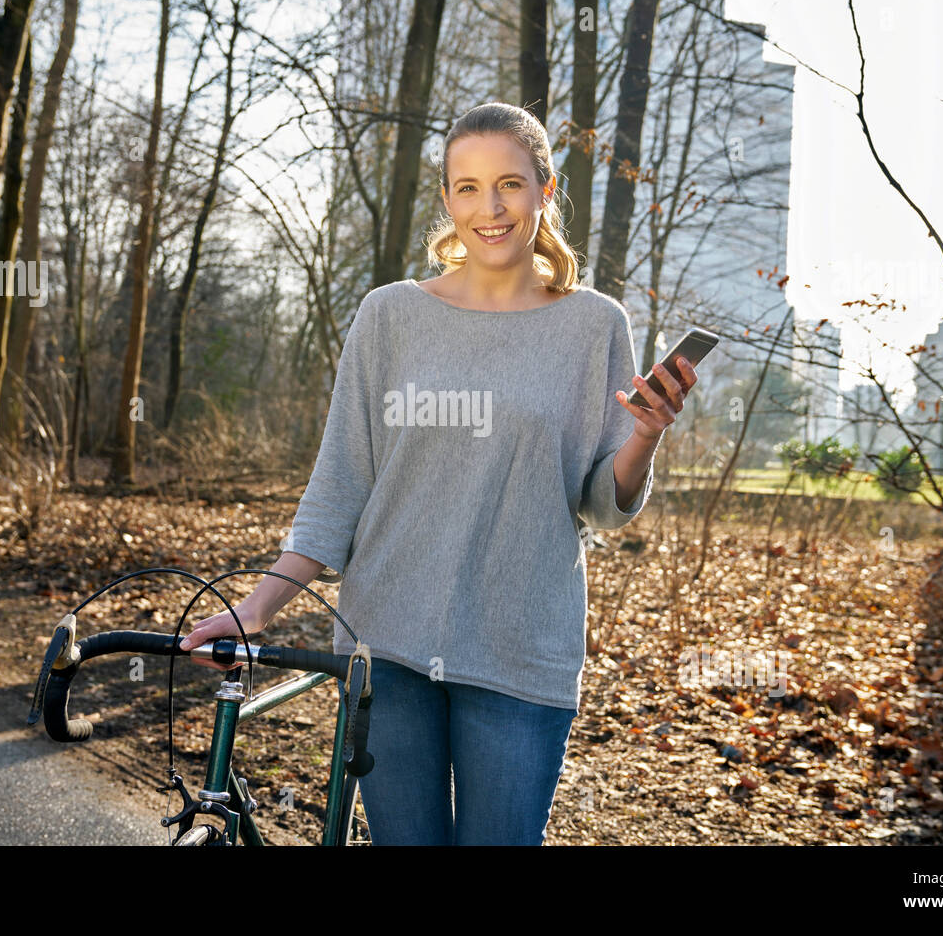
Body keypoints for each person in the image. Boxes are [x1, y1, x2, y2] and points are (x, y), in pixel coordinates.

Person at [181, 101, 697, 845]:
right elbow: (341, 483)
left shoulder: (594, 325)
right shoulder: (387, 316)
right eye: (467, 187)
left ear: (546, 190)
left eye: (511, 185)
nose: (490, 209)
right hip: (385, 645)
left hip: (522, 649)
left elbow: (600, 504)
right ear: (447, 199)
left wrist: (643, 434)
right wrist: (258, 606)